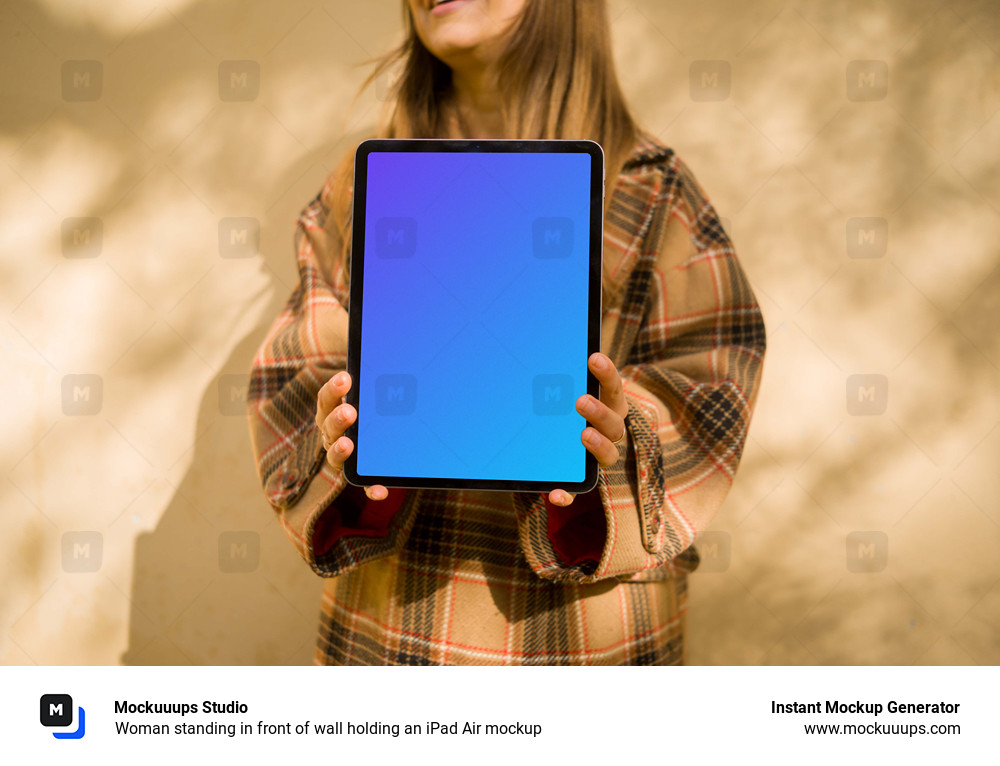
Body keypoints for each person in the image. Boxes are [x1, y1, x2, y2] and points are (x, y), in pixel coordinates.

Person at [247, 0, 766, 665]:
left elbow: (714, 380)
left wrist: (621, 430)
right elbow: (298, 367)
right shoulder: (362, 187)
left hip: (584, 645)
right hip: (395, 640)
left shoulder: (651, 189)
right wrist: (341, 433)